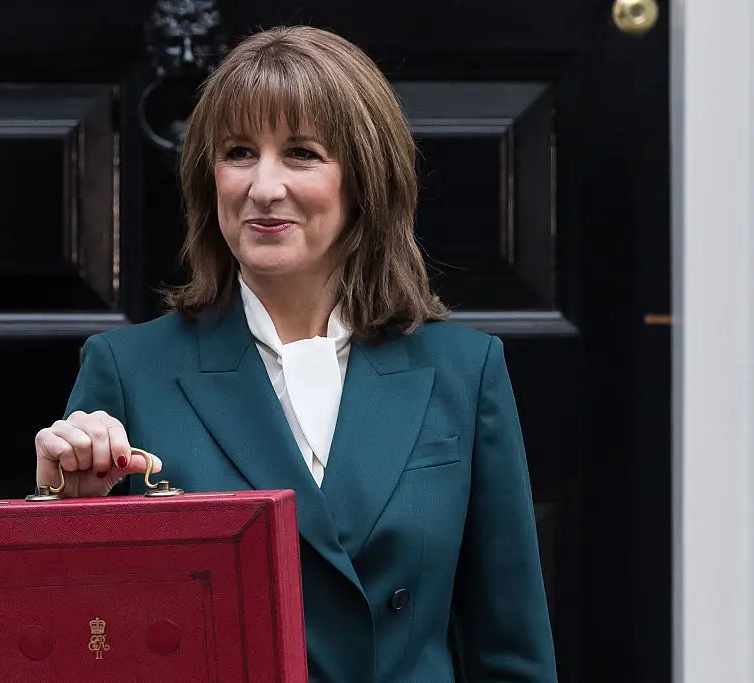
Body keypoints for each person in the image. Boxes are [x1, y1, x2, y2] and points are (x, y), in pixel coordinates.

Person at [33, 25, 557, 683]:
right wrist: (61, 509)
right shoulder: (128, 369)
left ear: (364, 179)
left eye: (302, 153)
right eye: (240, 152)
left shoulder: (462, 370)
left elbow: (510, 649)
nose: (263, 186)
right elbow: (74, 644)